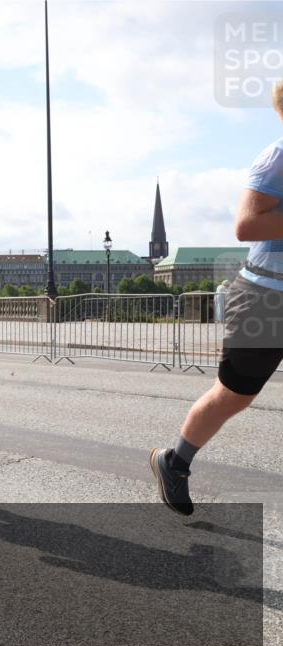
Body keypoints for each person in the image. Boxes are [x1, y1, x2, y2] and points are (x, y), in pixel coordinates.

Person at [150, 80, 283, 516]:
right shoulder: (278, 155)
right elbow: (246, 226)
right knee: (234, 394)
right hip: (265, 297)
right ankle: (175, 462)